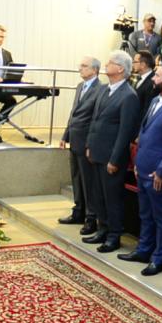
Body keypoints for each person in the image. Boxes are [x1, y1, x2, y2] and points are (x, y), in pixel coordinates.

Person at [120, 62, 162, 275]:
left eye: (157, 75)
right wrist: (138, 162)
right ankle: (143, 250)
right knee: (145, 214)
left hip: (158, 173)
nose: (152, 78)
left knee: (161, 218)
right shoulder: (154, 100)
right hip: (143, 168)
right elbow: (144, 132)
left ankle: (159, 258)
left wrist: (161, 171)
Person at [83, 50, 141, 253]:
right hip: (96, 151)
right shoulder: (104, 90)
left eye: (110, 62)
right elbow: (95, 120)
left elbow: (126, 132)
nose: (106, 65)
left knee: (112, 198)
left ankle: (114, 236)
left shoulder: (129, 96)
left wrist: (115, 159)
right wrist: (89, 145)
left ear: (121, 68)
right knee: (98, 195)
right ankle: (102, 229)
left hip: (112, 157)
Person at [57, 56, 106, 232]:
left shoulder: (101, 89)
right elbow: (74, 114)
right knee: (76, 177)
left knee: (89, 182)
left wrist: (90, 144)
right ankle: (78, 211)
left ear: (94, 70)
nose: (80, 68)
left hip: (86, 142)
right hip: (74, 140)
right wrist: (65, 135)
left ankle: (91, 218)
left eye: (84, 66)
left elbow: (95, 119)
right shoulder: (80, 87)